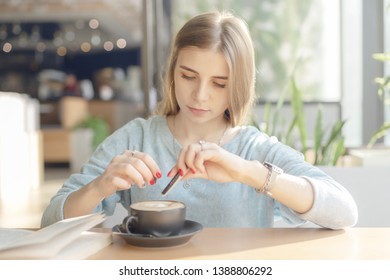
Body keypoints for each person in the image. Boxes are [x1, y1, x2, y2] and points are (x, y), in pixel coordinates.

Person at [41, 11, 358, 229]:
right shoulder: (135, 139)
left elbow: (344, 212)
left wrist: (247, 173)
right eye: (188, 76)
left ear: (238, 85)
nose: (200, 95)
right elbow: (51, 220)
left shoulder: (256, 149)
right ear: (172, 73)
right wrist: (99, 186)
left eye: (219, 83)